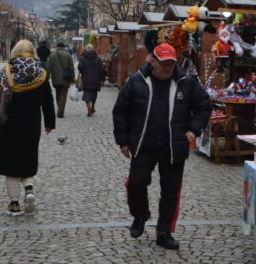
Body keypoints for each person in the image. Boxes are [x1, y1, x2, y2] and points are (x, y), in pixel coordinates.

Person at [112, 43, 212, 250]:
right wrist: (123, 141)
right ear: (153, 62)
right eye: (163, 63)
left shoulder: (186, 83)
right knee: (135, 184)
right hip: (143, 144)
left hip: (173, 146)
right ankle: (140, 215)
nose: (167, 68)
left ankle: (164, 231)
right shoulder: (137, 82)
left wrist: (194, 129)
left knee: (170, 190)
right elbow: (120, 112)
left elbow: (204, 106)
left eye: (171, 64)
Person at [0, 40, 56, 215]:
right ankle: (29, 188)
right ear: (33, 52)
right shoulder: (41, 73)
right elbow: (48, 101)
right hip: (31, 124)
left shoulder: (8, 71)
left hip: (10, 124)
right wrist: (50, 122)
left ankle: (14, 203)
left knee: (10, 163)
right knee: (28, 158)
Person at [46, 42, 75, 118]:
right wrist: (72, 79)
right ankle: (60, 111)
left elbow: (48, 67)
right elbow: (71, 68)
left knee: (58, 94)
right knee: (63, 95)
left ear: (56, 47)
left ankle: (60, 108)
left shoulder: (52, 55)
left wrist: (47, 77)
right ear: (64, 47)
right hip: (65, 79)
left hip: (55, 78)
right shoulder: (68, 55)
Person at [77, 44, 107, 116]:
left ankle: (89, 109)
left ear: (86, 50)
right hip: (96, 80)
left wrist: (82, 71)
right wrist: (103, 79)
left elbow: (80, 67)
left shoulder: (83, 58)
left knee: (87, 95)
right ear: (93, 50)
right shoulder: (98, 59)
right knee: (94, 94)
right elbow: (102, 70)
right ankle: (93, 106)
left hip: (86, 79)